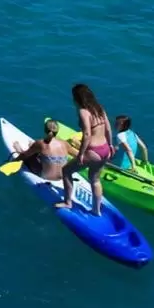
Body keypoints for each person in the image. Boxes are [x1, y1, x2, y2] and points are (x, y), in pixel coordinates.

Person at [57, 83, 114, 216]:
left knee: (66, 171)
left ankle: (68, 202)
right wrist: (110, 146)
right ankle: (96, 210)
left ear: (77, 98)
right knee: (95, 179)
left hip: (93, 150)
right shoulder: (99, 108)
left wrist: (81, 154)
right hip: (105, 149)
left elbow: (87, 134)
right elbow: (108, 128)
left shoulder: (83, 112)